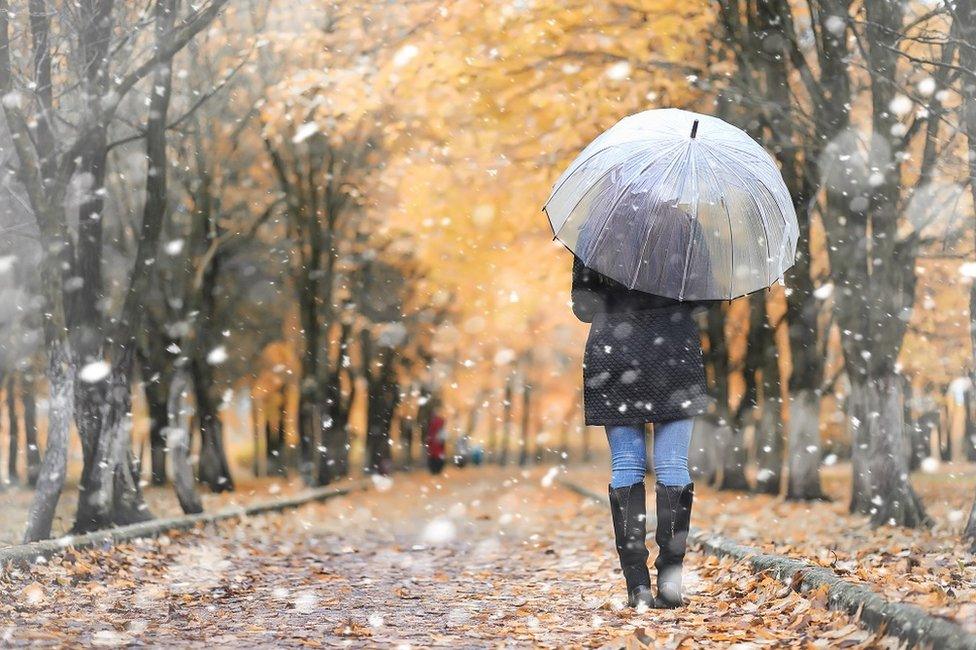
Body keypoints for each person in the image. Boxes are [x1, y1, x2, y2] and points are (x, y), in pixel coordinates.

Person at [571, 256, 712, 609]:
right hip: (675, 351)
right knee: (673, 464)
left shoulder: (598, 235)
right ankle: (670, 581)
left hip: (614, 351)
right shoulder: (686, 226)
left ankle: (637, 586)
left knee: (626, 465)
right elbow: (705, 299)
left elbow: (583, 308)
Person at [425, 408, 447, 475]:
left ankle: (434, 470)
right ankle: (437, 470)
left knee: (434, 459)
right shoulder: (439, 422)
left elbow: (430, 435)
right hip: (437, 447)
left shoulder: (432, 422)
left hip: (434, 447)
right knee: (437, 458)